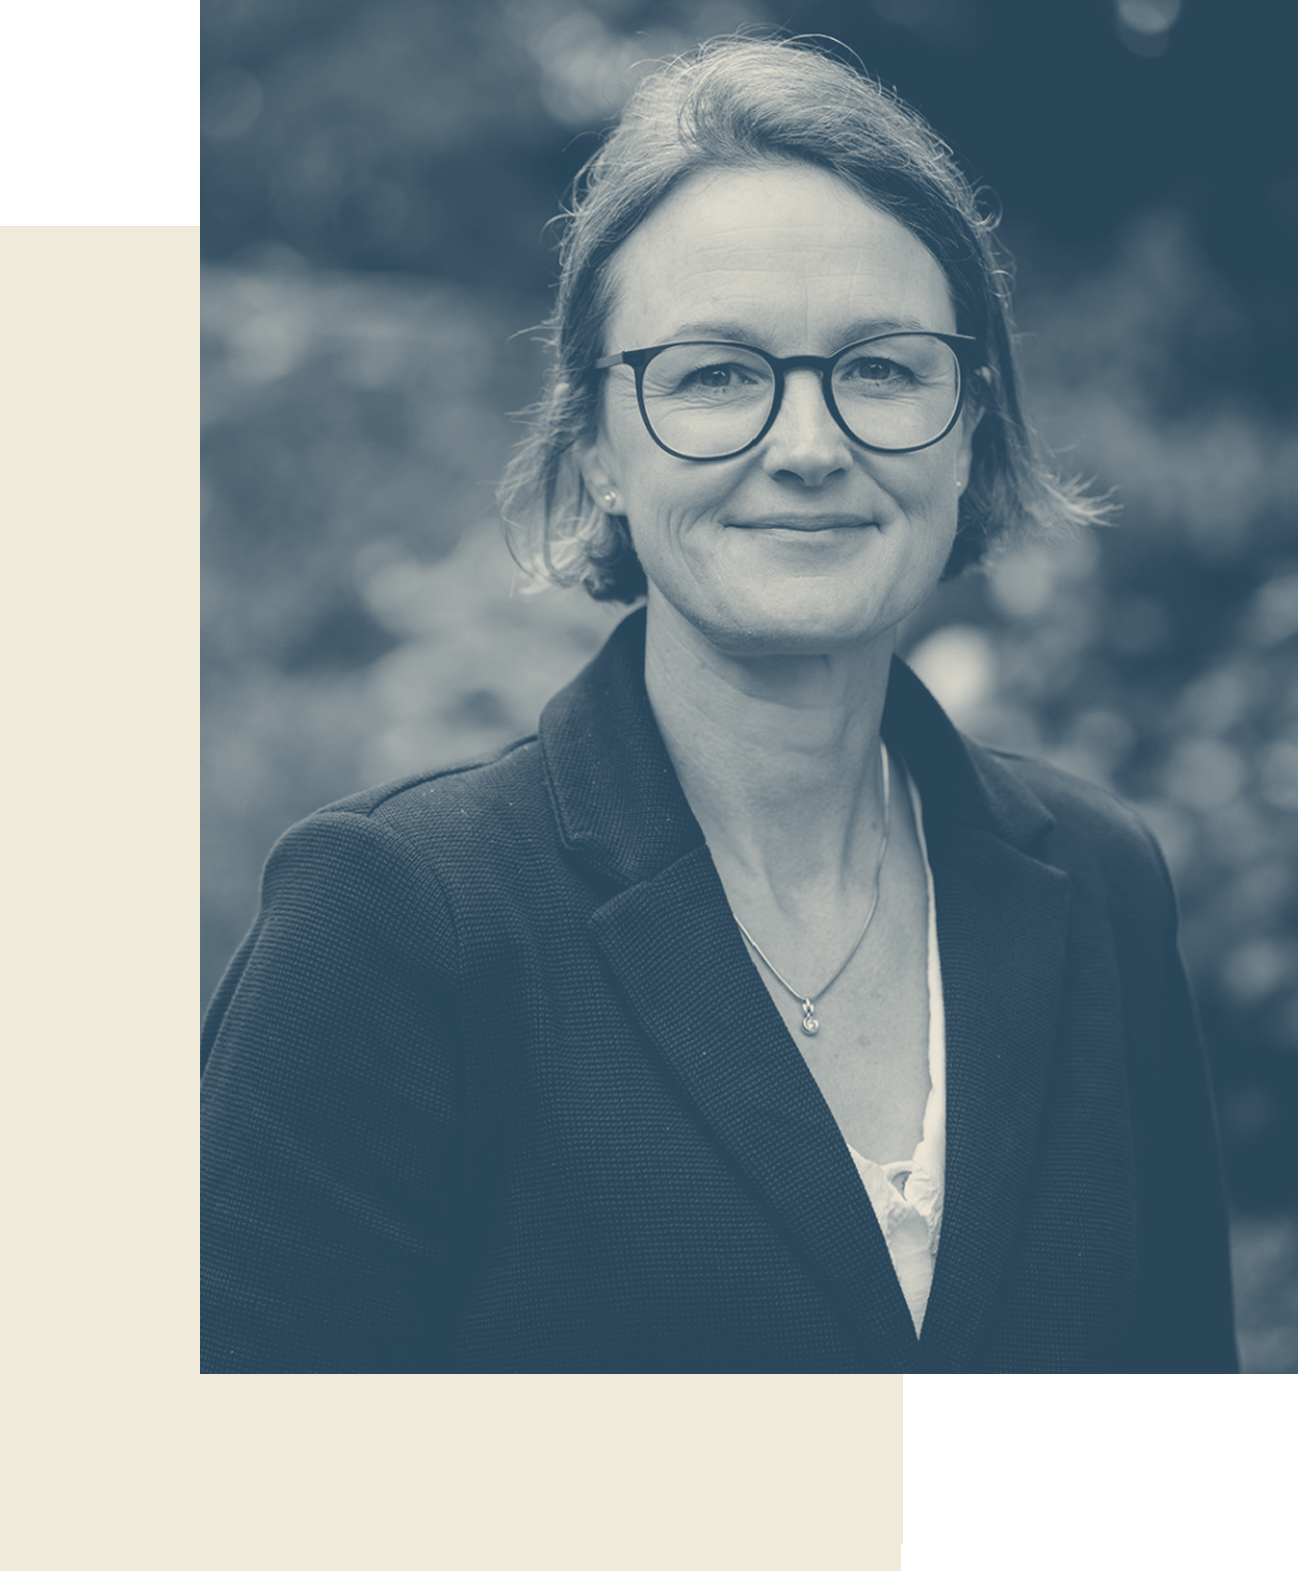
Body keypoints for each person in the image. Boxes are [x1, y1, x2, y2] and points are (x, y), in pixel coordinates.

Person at [201, 36, 1238, 1374]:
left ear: (970, 426)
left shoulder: (1099, 882)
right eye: (715, 374)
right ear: (597, 447)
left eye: (881, 368)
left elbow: (1168, 1468)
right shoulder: (396, 919)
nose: (808, 446)